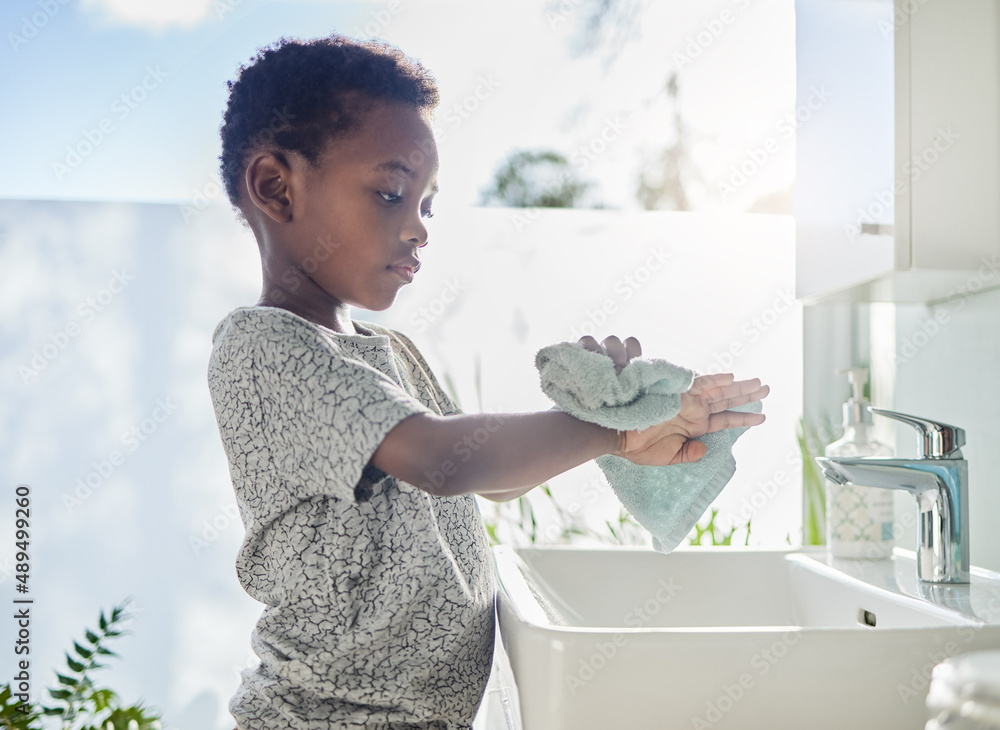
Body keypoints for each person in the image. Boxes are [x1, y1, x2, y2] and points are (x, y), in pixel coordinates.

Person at [206, 34, 769, 730]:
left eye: (428, 204)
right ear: (274, 186)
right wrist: (607, 426)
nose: (418, 227)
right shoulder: (263, 346)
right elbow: (441, 461)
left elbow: (486, 478)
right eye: (390, 192)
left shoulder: (392, 351)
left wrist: (613, 436)